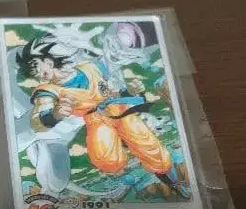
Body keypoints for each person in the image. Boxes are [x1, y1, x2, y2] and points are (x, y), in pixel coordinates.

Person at [16, 37, 190, 198]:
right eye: (34, 73)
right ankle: (122, 143)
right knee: (107, 160)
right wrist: (55, 114)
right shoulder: (47, 91)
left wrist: (133, 91)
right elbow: (38, 120)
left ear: (48, 59)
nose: (38, 73)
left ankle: (174, 182)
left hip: (120, 111)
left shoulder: (91, 67)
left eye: (36, 65)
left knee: (151, 149)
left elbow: (116, 89)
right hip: (96, 119)